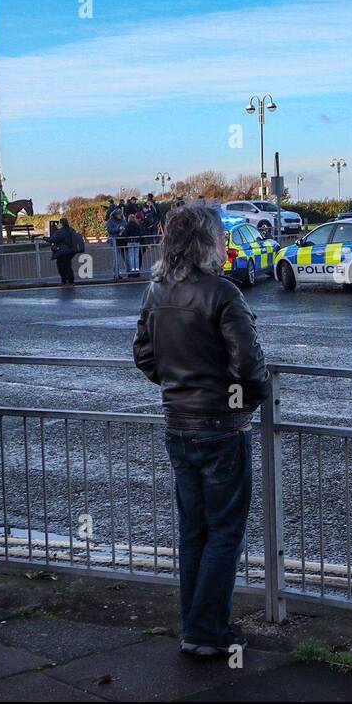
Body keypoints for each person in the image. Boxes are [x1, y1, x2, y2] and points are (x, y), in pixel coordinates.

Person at [133, 203, 269, 658]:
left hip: (178, 424)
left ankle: (195, 626)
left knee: (193, 530)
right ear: (210, 243)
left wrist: (178, 387)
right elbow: (248, 365)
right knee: (226, 530)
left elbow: (145, 357)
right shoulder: (223, 293)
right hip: (221, 429)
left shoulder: (156, 291)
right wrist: (251, 399)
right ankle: (208, 631)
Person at [47, 217, 84, 285]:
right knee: (68, 266)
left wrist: (45, 238)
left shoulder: (60, 231)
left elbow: (53, 239)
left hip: (62, 251)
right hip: (71, 251)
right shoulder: (71, 230)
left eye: (59, 223)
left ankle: (64, 280)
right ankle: (70, 281)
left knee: (61, 266)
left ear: (61, 223)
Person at [106, 208, 128, 280]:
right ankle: (116, 274)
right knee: (116, 259)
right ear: (115, 215)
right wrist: (118, 229)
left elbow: (126, 227)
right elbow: (110, 230)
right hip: (114, 241)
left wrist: (124, 230)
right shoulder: (110, 221)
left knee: (126, 258)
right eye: (118, 214)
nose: (119, 215)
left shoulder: (123, 221)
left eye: (120, 214)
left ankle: (130, 272)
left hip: (122, 241)